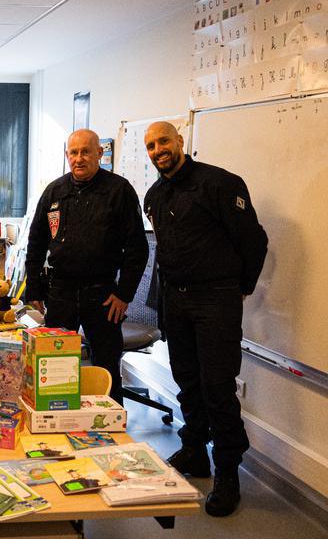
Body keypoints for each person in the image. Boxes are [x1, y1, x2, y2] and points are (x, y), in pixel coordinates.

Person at [143, 122, 268, 517]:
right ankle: (196, 450)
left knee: (217, 387)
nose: (157, 149)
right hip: (176, 301)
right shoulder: (155, 195)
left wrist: (242, 286)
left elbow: (254, 241)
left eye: (164, 141)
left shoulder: (221, 183)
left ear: (181, 142)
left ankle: (228, 473)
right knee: (188, 382)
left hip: (216, 299)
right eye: (150, 145)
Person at [25, 129, 148, 404]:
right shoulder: (54, 191)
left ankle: (111, 429)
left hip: (103, 295)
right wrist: (33, 290)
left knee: (106, 368)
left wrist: (125, 294)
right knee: (54, 367)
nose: (78, 159)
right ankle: (55, 422)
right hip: (60, 293)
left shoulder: (119, 190)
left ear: (99, 154)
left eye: (85, 152)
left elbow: (138, 249)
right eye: (73, 152)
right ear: (67, 155)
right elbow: (36, 243)